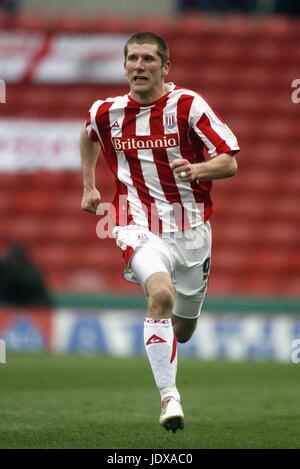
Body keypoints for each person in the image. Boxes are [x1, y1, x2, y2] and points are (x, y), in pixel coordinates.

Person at [80, 32, 239, 432]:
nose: (139, 66)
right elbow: (88, 136)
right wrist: (89, 185)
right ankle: (169, 398)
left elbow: (229, 161)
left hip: (192, 232)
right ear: (124, 66)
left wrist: (199, 169)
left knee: (183, 329)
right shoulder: (107, 111)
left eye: (148, 59)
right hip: (138, 226)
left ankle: (175, 331)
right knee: (161, 295)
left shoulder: (188, 105)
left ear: (165, 67)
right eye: (132, 59)